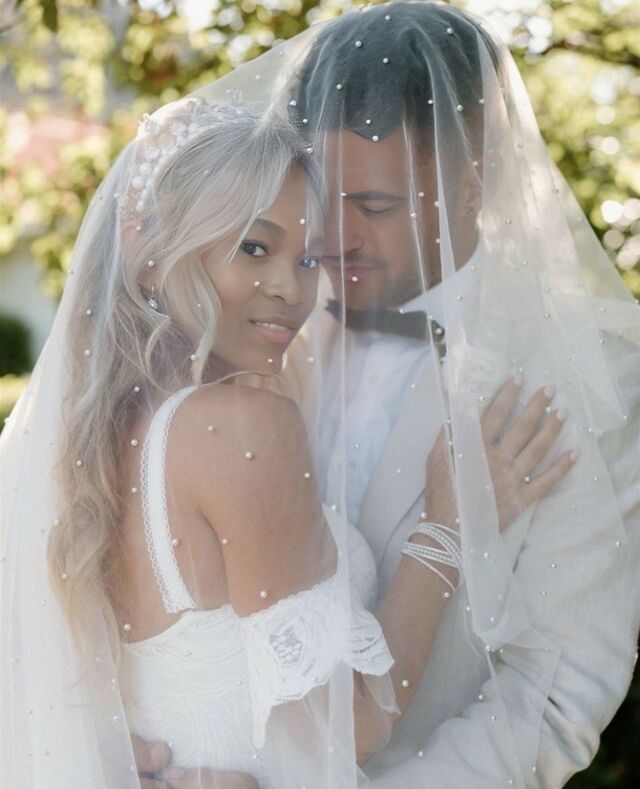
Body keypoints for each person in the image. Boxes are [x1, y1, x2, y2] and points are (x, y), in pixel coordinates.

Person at [0, 91, 571, 788]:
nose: (291, 289)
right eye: (255, 246)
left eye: (307, 258)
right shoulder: (239, 426)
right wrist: (448, 526)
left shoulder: (93, 440)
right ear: (151, 254)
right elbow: (349, 725)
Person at [196, 2, 638, 787]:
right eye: (320, 197)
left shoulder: (587, 370)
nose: (332, 239)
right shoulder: (256, 329)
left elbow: (555, 696)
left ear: (473, 185)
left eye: (375, 206)